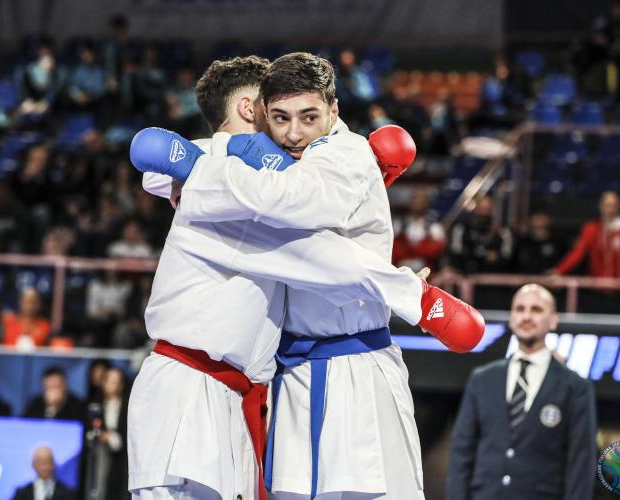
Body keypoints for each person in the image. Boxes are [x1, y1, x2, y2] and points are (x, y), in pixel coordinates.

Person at [131, 52, 483, 499]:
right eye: (278, 118)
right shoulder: (227, 168)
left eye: (308, 116)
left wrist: (197, 171)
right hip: (236, 383)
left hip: (352, 370)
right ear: (254, 111)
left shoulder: (343, 150)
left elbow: (303, 203)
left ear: (333, 111)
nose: (292, 133)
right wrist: (406, 291)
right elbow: (158, 168)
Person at [446, 284, 596, 500]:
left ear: (553, 320)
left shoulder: (576, 387)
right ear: (511, 318)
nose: (526, 316)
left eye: (536, 309)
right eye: (519, 309)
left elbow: (580, 463)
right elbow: (461, 452)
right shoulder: (482, 379)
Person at [552, 190, 620, 279]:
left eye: (614, 206)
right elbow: (578, 252)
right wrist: (560, 270)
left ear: (619, 207)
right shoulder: (591, 229)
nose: (611, 210)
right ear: (601, 206)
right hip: (597, 284)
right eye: (608, 205)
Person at [91, 368, 129, 500]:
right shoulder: (95, 406)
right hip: (100, 460)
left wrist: (111, 438)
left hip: (122, 462)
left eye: (117, 382)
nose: (114, 385)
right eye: (110, 381)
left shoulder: (128, 408)